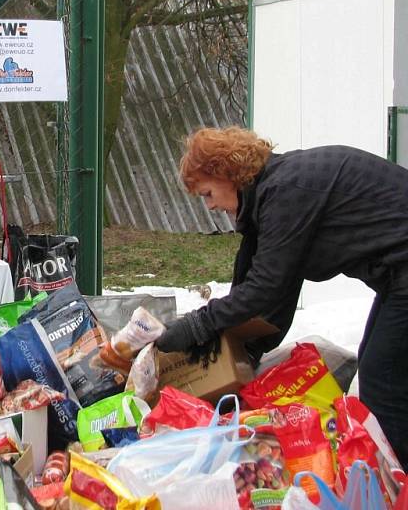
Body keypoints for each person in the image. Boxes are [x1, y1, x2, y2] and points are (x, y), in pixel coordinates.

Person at [156, 126, 408, 469]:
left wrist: (198, 325)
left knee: (383, 381)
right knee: (381, 371)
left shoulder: (286, 191)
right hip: (396, 277)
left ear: (226, 174)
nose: (211, 205)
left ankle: (395, 485)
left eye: (207, 193)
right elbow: (278, 295)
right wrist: (243, 352)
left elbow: (265, 287)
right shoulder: (273, 191)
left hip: (402, 272)